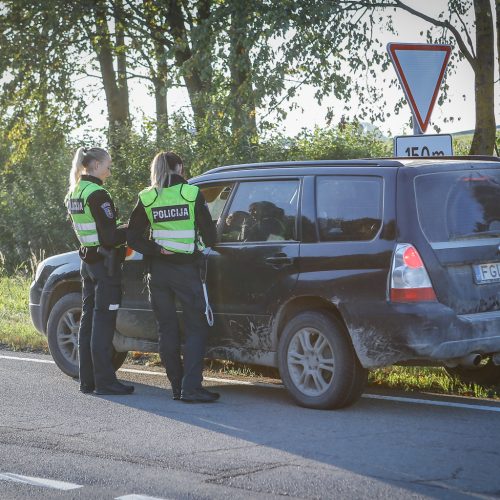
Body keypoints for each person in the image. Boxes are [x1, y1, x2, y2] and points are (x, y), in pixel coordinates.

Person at [127, 151, 218, 403]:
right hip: (186, 270)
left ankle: (176, 387)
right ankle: (192, 387)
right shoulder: (190, 193)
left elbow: (133, 237)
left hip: (158, 272)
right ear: (179, 167)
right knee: (195, 328)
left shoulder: (148, 197)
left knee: (166, 329)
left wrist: (156, 249)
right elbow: (211, 238)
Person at [66, 147, 134, 396]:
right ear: (94, 165)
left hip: (88, 263)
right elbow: (108, 237)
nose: (110, 169)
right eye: (108, 164)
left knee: (88, 321)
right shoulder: (98, 194)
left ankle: (88, 380)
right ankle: (105, 382)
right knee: (103, 323)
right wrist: (131, 228)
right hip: (105, 265)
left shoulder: (75, 191)